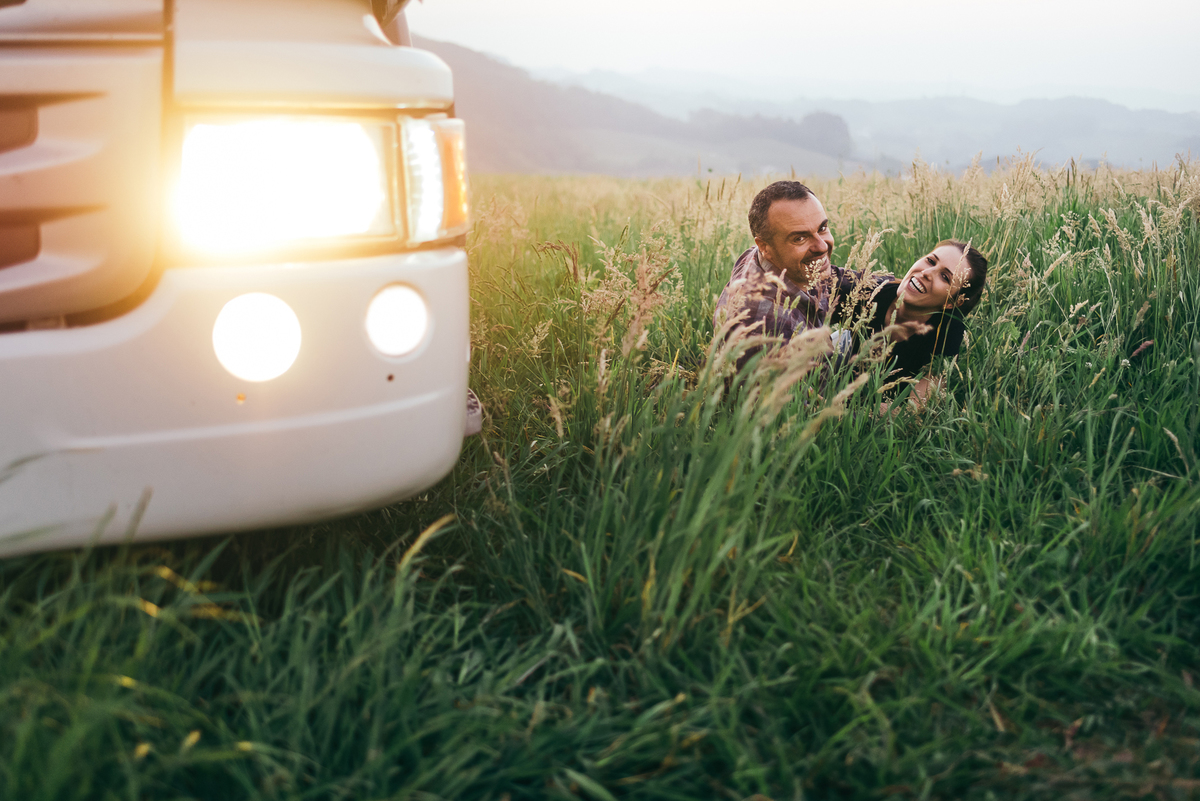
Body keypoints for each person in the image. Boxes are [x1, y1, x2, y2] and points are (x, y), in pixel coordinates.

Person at [712, 180, 885, 370]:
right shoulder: (768, 329)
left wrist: (907, 288)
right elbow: (806, 399)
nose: (822, 246)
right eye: (799, 238)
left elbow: (838, 279)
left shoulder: (765, 259)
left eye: (822, 228)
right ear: (764, 246)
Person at [846, 240, 987, 406]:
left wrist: (844, 415)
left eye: (945, 277)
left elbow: (912, 409)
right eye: (931, 261)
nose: (927, 272)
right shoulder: (871, 291)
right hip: (842, 359)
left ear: (952, 303)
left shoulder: (947, 330)